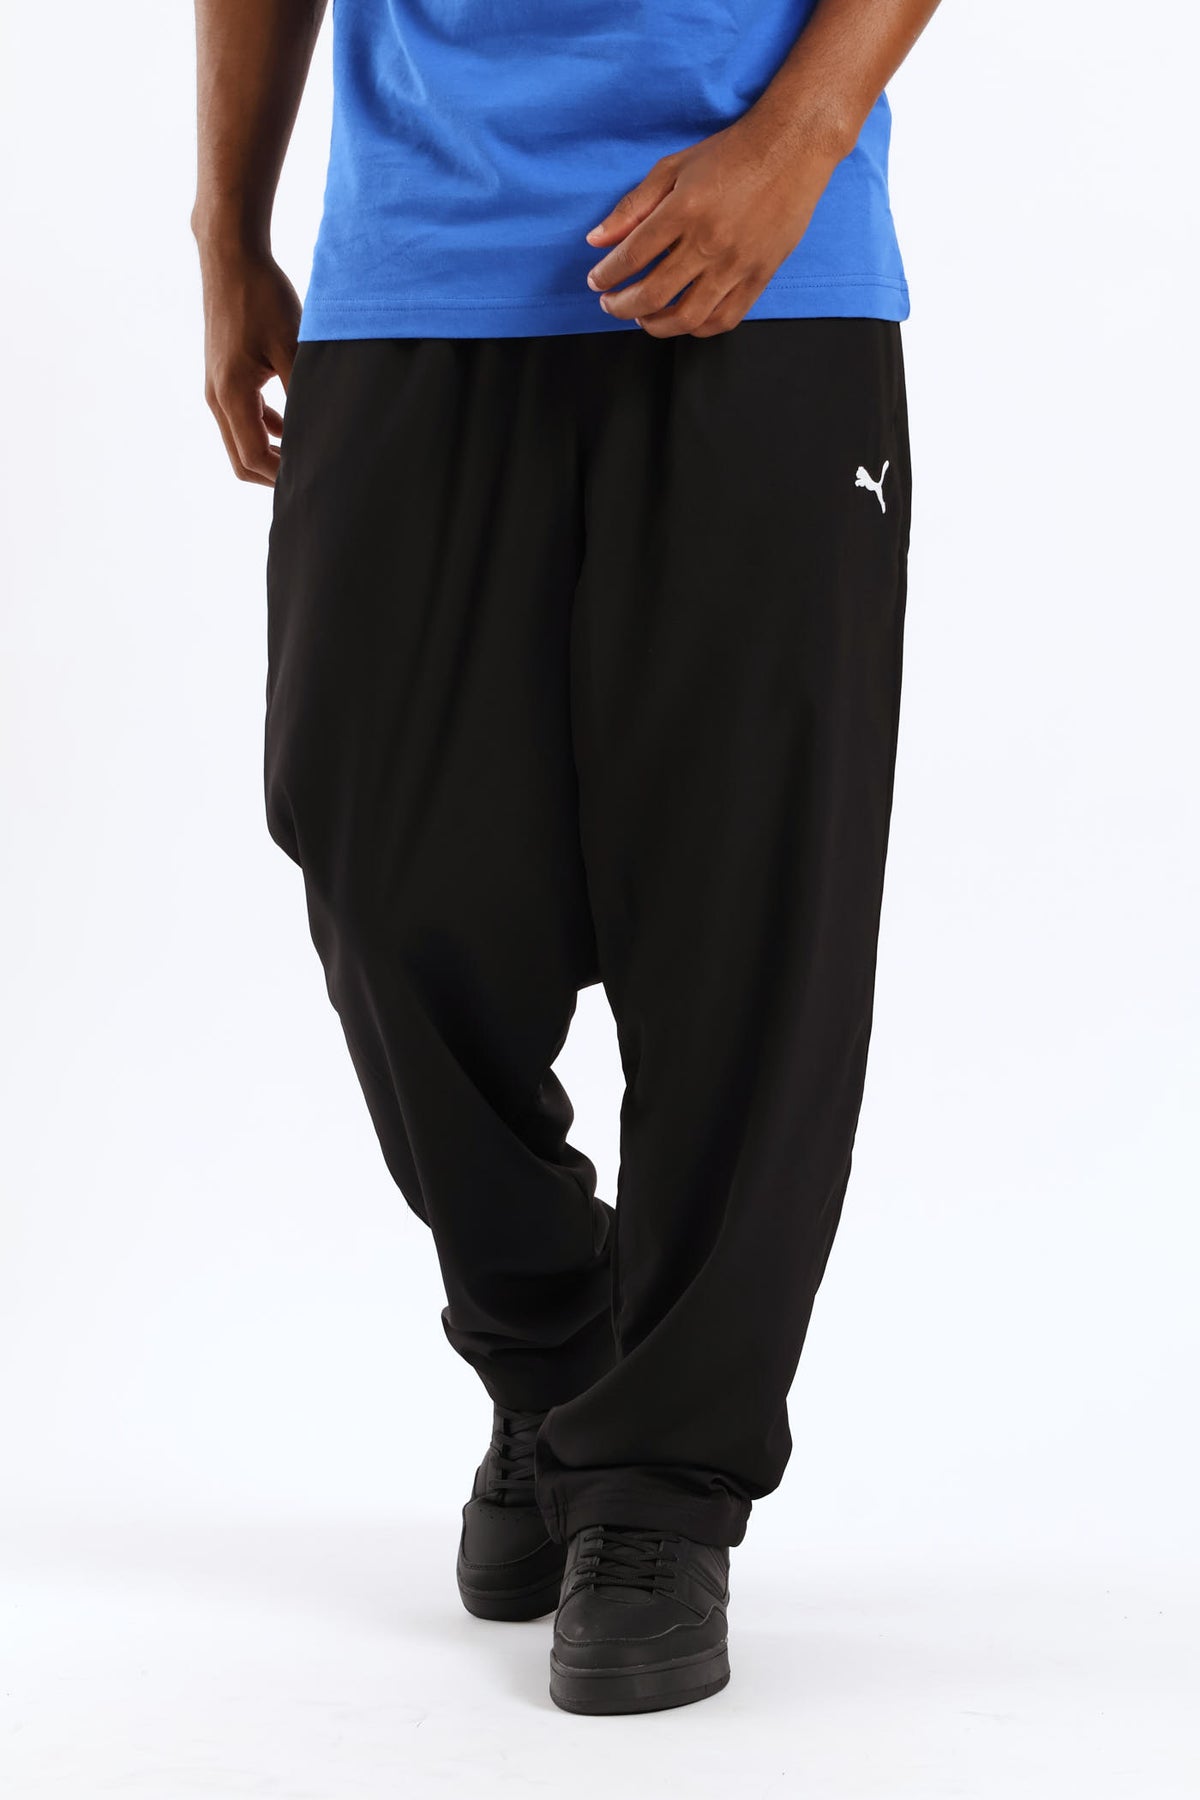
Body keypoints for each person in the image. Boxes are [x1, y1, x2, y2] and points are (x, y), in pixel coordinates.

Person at [192, 0, 941, 1716]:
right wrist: (227, 232)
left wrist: (799, 141)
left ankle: (661, 1485)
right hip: (416, 262)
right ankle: (553, 1353)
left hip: (766, 260)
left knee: (749, 903)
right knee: (378, 858)